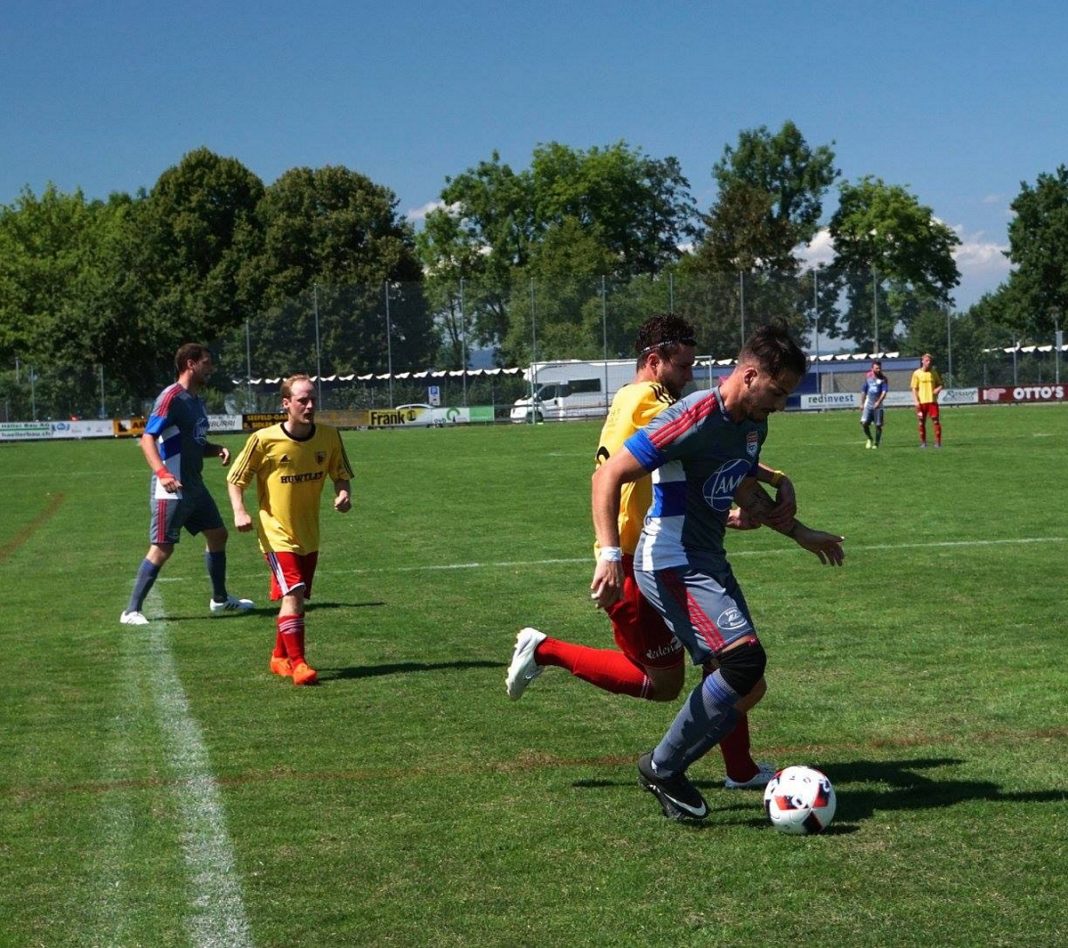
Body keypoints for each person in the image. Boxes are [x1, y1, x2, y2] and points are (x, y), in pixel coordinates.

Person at [506, 314, 796, 790]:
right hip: (641, 556)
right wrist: (769, 476)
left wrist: (725, 504)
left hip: (659, 543)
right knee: (664, 683)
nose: (688, 378)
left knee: (722, 665)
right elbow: (694, 442)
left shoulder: (639, 399)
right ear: (653, 360)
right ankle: (546, 650)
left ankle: (740, 768)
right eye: (682, 367)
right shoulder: (648, 399)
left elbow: (695, 463)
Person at [590, 323, 845, 822]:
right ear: (749, 375)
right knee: (743, 664)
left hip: (708, 558)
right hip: (670, 559)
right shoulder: (693, 415)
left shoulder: (753, 424)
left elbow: (739, 485)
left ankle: (721, 767)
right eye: (777, 392)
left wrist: (798, 530)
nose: (780, 405)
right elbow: (610, 474)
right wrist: (607, 554)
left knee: (748, 685)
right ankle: (662, 768)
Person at [226, 374, 353, 686]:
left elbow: (341, 474)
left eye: (312, 400)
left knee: (293, 599)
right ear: (286, 404)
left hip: (309, 533)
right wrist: (239, 511)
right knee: (294, 593)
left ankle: (279, 657)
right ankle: (299, 664)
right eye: (302, 401)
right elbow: (235, 478)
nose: (310, 406)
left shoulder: (329, 437)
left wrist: (343, 493)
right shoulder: (263, 440)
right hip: (275, 532)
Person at [120, 343, 253, 625]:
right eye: (207, 362)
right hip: (172, 487)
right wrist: (163, 474)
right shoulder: (171, 397)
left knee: (218, 534)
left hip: (195, 485)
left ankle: (219, 600)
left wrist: (215, 448)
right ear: (191, 364)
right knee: (162, 547)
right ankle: (130, 611)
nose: (211, 368)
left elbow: (193, 442)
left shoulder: (196, 400)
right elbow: (147, 438)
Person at [911, 353, 944, 447]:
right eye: (927, 360)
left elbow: (940, 384)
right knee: (921, 422)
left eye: (930, 361)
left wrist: (938, 389)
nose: (929, 362)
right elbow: (914, 388)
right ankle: (923, 443)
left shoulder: (933, 372)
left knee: (935, 421)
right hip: (921, 402)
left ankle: (938, 442)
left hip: (932, 401)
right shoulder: (916, 373)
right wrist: (916, 401)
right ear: (922, 361)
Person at [860, 359, 889, 448]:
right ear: (872, 368)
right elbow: (864, 391)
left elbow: (884, 392)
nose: (878, 370)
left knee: (878, 425)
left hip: (878, 405)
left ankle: (876, 443)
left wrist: (878, 402)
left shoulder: (883, 379)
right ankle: (869, 438)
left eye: (879, 368)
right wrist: (862, 403)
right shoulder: (868, 377)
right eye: (876, 368)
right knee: (864, 423)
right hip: (868, 403)